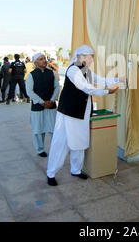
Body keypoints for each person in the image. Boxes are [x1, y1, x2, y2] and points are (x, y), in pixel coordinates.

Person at [46, 45, 123, 186]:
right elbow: (86, 87)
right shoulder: (74, 70)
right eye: (91, 56)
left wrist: (119, 80)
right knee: (61, 143)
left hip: (81, 113)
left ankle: (76, 170)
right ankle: (51, 173)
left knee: (80, 143)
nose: (92, 59)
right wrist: (106, 92)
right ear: (83, 56)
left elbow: (101, 80)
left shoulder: (85, 70)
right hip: (68, 113)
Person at [26, 53, 60, 157]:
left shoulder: (52, 73)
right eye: (41, 59)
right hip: (38, 106)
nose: (44, 61)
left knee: (54, 129)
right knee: (38, 130)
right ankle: (40, 150)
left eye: (44, 58)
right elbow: (30, 92)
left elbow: (56, 87)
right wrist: (42, 102)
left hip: (51, 105)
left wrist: (52, 100)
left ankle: (56, 149)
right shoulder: (31, 75)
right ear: (35, 63)